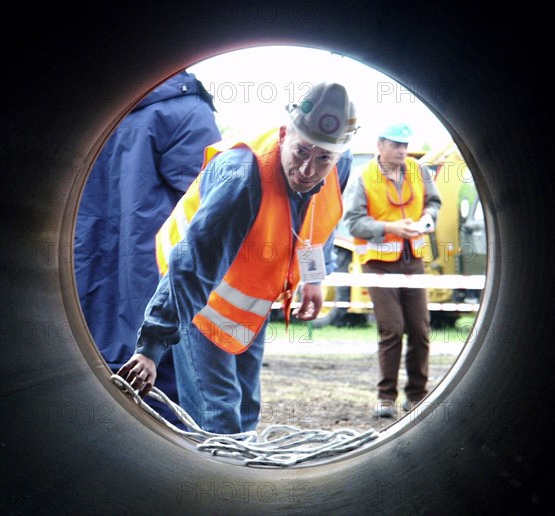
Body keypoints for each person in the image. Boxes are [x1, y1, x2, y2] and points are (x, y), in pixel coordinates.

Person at [116, 82, 358, 434]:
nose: (308, 169)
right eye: (301, 151)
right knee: (218, 411)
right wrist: (151, 347)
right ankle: (219, 485)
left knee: (246, 405)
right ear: (284, 133)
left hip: (250, 295)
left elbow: (317, 224)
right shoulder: (243, 177)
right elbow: (192, 265)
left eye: (323, 158)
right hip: (201, 295)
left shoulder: (339, 163)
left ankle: (241, 471)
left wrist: (314, 278)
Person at [74, 70, 222, 422]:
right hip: (152, 282)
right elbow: (212, 207)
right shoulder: (188, 111)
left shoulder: (93, 116)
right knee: (162, 397)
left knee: (96, 383)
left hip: (84, 275)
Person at [343, 122, 442, 418]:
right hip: (378, 265)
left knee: (420, 330)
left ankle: (417, 396)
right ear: (380, 145)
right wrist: (390, 228)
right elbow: (354, 223)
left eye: (404, 145)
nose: (402, 150)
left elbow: (434, 203)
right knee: (392, 329)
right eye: (396, 145)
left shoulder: (419, 171)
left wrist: (427, 220)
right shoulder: (364, 177)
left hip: (413, 261)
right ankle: (386, 397)